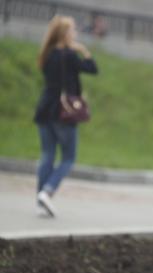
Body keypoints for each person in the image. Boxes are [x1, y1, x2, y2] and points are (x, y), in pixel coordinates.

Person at [34, 15, 98, 217]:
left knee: (47, 155)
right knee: (68, 157)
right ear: (65, 33)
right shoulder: (70, 55)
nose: (76, 34)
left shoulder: (47, 54)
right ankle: (48, 191)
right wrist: (84, 51)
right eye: (73, 30)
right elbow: (93, 69)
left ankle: (41, 197)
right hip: (64, 112)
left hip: (45, 109)